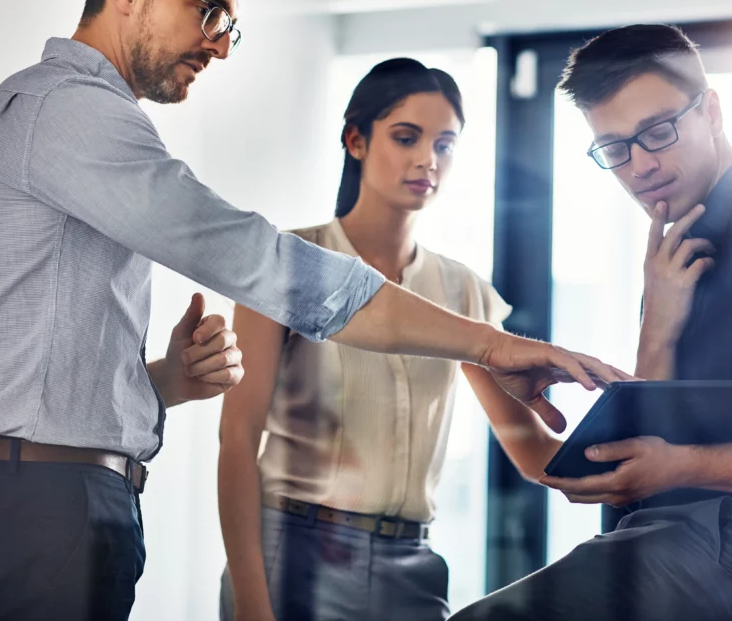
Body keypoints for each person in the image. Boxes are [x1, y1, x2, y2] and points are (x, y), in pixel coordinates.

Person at [0, 0, 626, 620]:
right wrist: (492, 345)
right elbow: (260, 261)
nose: (222, 45)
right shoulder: (70, 112)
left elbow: (30, 372)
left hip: (46, 494)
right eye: (209, 12)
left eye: (229, 25)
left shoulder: (55, 117)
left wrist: (166, 380)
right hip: (49, 502)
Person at [451, 24, 732, 621]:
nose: (639, 165)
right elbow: (653, 453)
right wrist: (657, 330)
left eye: (658, 132)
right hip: (656, 544)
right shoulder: (671, 261)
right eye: (614, 149)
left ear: (711, 111)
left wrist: (684, 464)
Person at [218, 58, 569, 621]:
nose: (427, 160)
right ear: (355, 140)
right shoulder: (286, 260)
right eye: (406, 138)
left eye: (445, 144)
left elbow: (533, 454)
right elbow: (237, 444)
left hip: (415, 565)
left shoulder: (464, 292)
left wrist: (654, 463)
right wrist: (252, 609)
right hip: (296, 553)